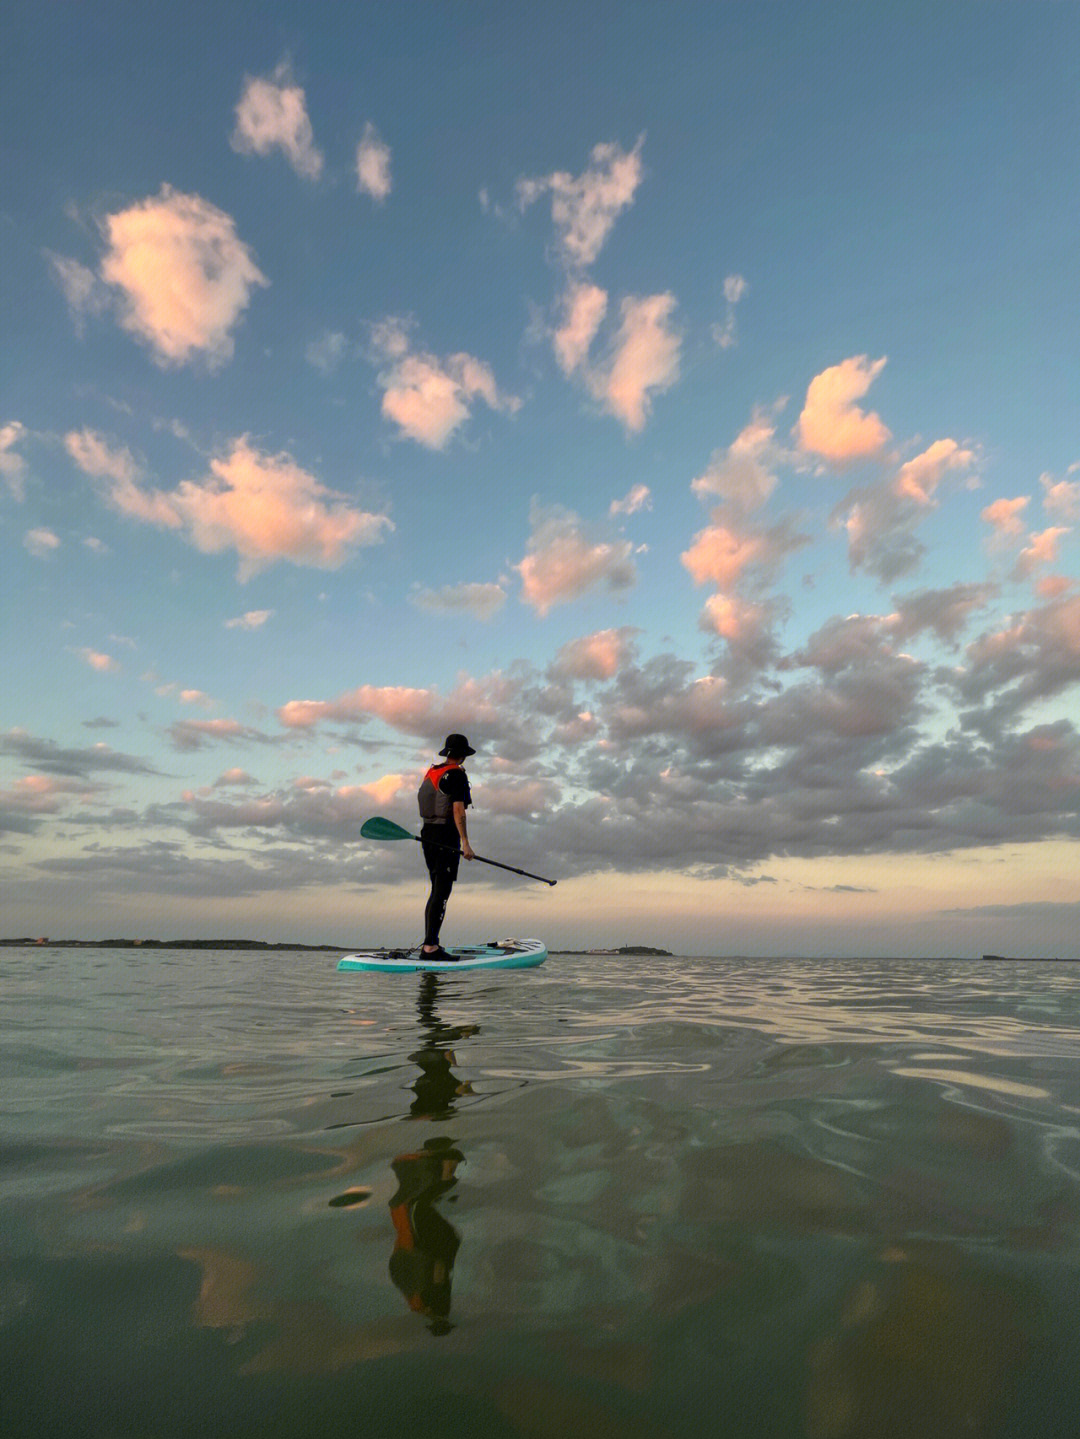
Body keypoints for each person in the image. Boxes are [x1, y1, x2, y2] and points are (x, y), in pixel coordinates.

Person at [417, 734, 476, 960]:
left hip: (428, 833)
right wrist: (466, 843)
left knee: (436, 888)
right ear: (462, 756)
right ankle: (430, 948)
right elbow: (458, 810)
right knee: (442, 890)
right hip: (445, 835)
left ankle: (430, 943)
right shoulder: (457, 775)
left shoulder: (432, 772)